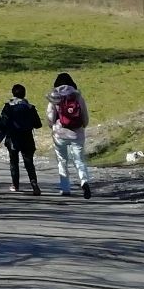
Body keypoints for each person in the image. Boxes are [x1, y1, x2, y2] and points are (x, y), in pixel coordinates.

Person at [47, 70, 91, 198]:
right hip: (77, 133)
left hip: (59, 134)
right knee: (79, 160)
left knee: (62, 160)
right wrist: (82, 126)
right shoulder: (77, 96)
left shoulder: (54, 96)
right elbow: (85, 116)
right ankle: (84, 181)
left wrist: (53, 126)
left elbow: (51, 116)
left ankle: (65, 188)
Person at [0, 82, 42, 195]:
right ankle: (34, 184)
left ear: (13, 93)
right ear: (24, 94)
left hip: (13, 138)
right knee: (29, 162)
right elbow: (38, 124)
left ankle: (15, 184)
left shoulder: (8, 107)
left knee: (14, 162)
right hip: (27, 137)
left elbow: (3, 123)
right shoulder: (30, 107)